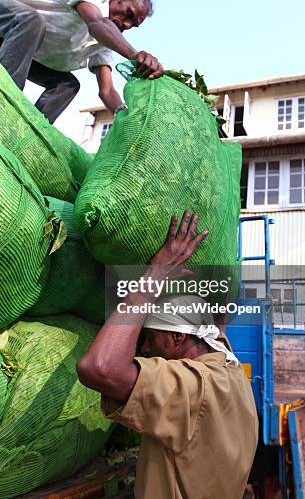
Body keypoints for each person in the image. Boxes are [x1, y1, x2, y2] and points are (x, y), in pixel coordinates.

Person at [76, 211, 258, 499]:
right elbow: (217, 327)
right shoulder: (230, 368)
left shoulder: (191, 387)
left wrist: (155, 274)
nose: (144, 348)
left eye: (148, 337)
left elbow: (99, 367)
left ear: (177, 337)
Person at [0, 0, 163, 123]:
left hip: (8, 45)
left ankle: (30, 129)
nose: (126, 25)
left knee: (67, 84)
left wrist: (121, 115)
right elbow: (96, 23)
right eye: (128, 14)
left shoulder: (102, 43)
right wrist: (135, 56)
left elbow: (107, 90)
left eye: (132, 25)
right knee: (32, 21)